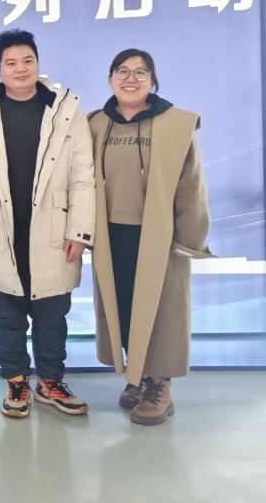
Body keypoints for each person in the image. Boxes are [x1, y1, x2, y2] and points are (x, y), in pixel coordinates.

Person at [0, 29, 95, 419]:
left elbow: (84, 176)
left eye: (27, 61)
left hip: (54, 228)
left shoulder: (66, 111)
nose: (20, 69)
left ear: (38, 63)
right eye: (11, 63)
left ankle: (50, 382)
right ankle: (16, 381)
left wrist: (80, 231)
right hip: (0, 229)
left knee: (53, 314)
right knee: (7, 314)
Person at [89, 49, 210, 425]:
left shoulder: (175, 124)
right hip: (111, 233)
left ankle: (160, 386)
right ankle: (138, 375)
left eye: (141, 72)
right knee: (124, 306)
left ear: (153, 81)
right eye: (123, 71)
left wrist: (189, 237)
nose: (131, 78)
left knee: (163, 310)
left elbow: (191, 185)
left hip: (160, 233)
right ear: (110, 78)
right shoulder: (94, 124)